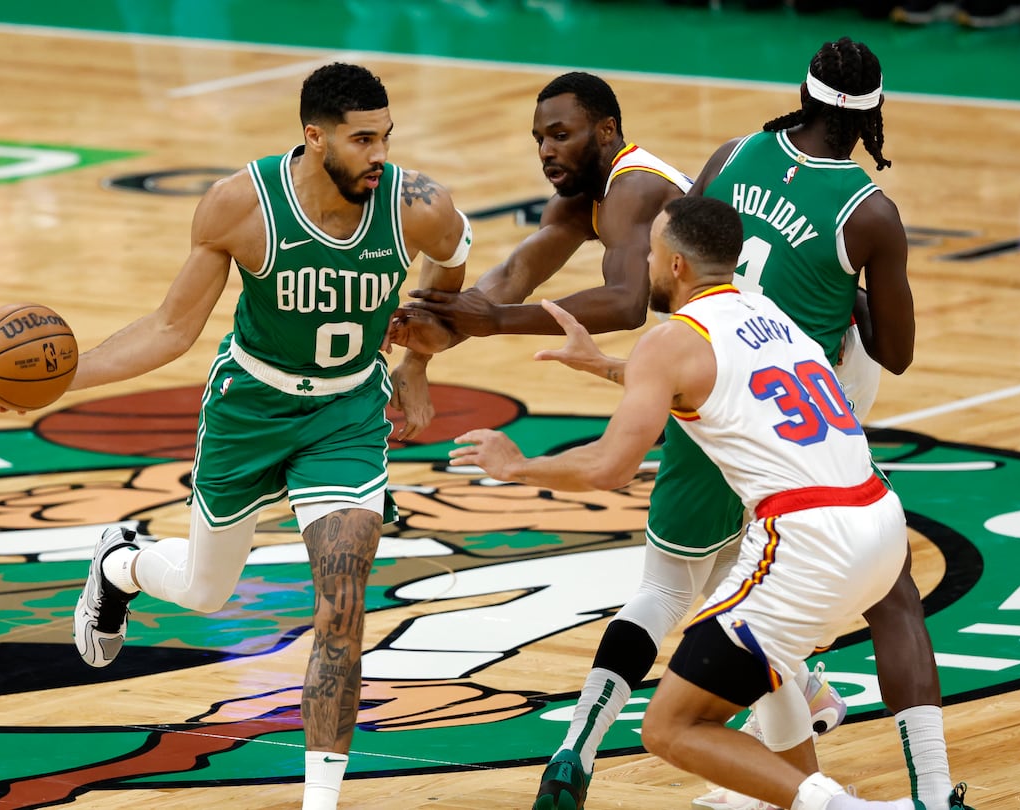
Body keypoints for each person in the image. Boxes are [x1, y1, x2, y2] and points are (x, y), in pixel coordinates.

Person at [390, 72, 839, 810]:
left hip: (733, 376)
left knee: (667, 589)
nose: (545, 148)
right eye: (538, 136)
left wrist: (490, 321)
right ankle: (804, 745)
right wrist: (419, 350)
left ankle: (578, 750)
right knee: (735, 593)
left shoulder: (632, 189)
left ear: (604, 132)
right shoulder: (584, 197)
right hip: (751, 377)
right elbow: (513, 273)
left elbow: (628, 303)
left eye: (559, 133)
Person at [50, 62, 472, 810]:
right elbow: (171, 329)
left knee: (342, 601)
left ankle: (320, 801)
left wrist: (416, 362)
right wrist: (64, 377)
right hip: (251, 409)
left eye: (386, 136)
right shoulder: (239, 206)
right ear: (314, 138)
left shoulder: (418, 203)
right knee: (207, 592)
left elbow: (454, 260)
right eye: (361, 138)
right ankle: (121, 565)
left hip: (344, 415)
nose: (379, 154)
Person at [450, 195, 915, 810]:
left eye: (650, 250)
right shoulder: (764, 308)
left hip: (808, 540)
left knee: (670, 726)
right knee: (767, 671)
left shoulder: (672, 340)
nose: (644, 258)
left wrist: (516, 466)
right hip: (880, 524)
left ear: (673, 264)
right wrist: (612, 367)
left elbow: (610, 465)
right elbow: (714, 382)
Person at [687, 37, 972, 810]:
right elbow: (898, 352)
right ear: (874, 117)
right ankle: (929, 788)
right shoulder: (869, 211)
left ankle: (793, 731)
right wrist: (845, 288)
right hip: (801, 405)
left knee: (733, 570)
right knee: (891, 594)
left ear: (801, 94)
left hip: (708, 389)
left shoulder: (730, 154)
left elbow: (679, 264)